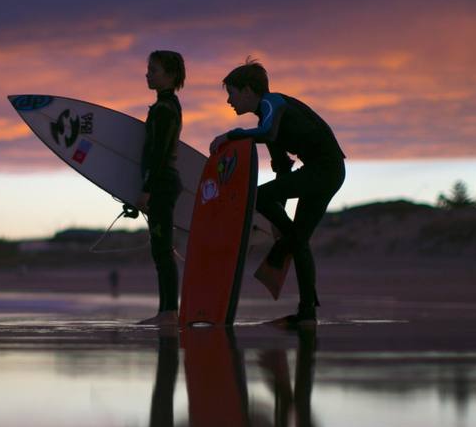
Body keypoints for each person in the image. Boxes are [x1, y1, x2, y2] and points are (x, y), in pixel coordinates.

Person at [210, 59, 345, 328]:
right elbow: (283, 168)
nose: (229, 101)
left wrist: (231, 135)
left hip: (324, 170)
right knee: (298, 239)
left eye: (232, 93)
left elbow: (268, 134)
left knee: (257, 197)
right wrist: (277, 218)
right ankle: (307, 315)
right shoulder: (266, 116)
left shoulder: (273, 103)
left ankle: (280, 251)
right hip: (324, 173)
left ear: (248, 91)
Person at [137, 50, 186, 327]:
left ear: (170, 75)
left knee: (162, 250)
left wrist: (146, 188)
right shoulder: (168, 106)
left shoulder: (164, 110)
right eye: (148, 69)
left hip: (162, 184)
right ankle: (166, 311)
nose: (148, 74)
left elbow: (159, 152)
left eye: (154, 70)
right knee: (161, 249)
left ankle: (168, 312)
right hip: (163, 182)